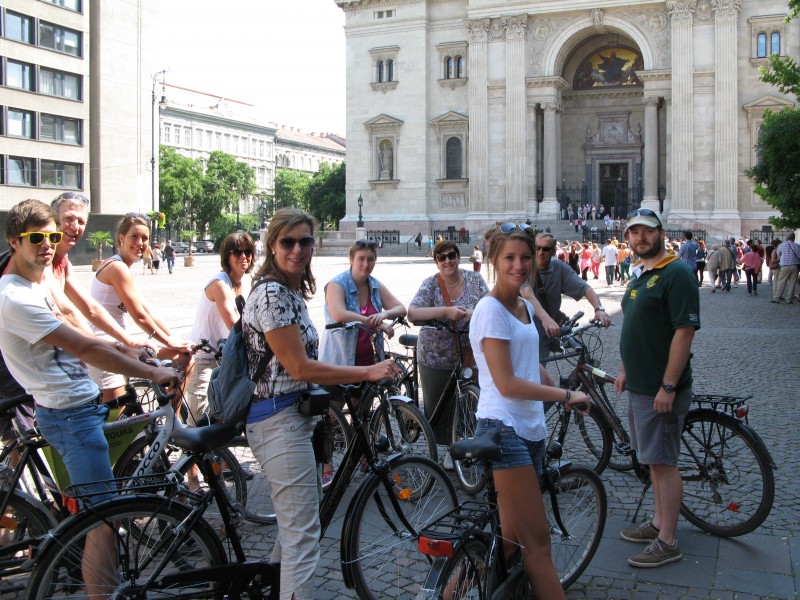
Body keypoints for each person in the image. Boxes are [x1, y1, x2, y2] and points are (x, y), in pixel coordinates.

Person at [0, 200, 179, 596]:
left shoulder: (38, 280)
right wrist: (151, 371)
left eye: (51, 236)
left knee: (96, 511)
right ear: (14, 241)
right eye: (36, 238)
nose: (48, 244)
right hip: (69, 416)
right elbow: (84, 348)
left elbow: (79, 317)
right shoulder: (16, 298)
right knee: (102, 521)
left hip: (76, 409)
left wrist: (128, 348)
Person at [242, 208, 399, 599]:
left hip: (296, 417)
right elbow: (298, 366)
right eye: (288, 241)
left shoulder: (290, 290)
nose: (298, 249)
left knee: (298, 524)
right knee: (304, 538)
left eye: (305, 241)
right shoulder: (273, 293)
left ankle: (270, 586)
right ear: (272, 245)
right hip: (278, 420)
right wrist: (365, 373)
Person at [469, 222, 588, 599]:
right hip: (503, 429)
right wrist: (565, 397)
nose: (519, 265)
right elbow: (505, 383)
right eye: (509, 258)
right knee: (538, 547)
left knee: (508, 541)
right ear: (493, 260)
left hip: (530, 428)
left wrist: (550, 380)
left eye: (524, 257)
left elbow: (525, 362)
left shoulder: (521, 305)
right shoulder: (490, 310)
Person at [614, 208, 700, 568]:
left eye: (646, 231)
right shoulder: (642, 274)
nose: (640, 238)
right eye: (633, 232)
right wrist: (625, 368)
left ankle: (668, 541)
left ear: (661, 233)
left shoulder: (676, 272)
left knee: (663, 463)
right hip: (640, 385)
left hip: (660, 389)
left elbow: (683, 331)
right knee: (651, 458)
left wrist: (668, 385)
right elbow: (639, 328)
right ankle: (658, 522)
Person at [318, 239, 406, 482]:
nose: (366, 264)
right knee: (331, 415)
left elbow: (400, 307)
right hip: (338, 362)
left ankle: (363, 459)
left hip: (368, 362)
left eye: (370, 259)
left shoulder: (375, 286)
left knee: (362, 415)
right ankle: (326, 466)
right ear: (351, 259)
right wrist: (374, 322)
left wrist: (383, 315)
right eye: (361, 259)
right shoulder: (337, 284)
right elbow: (339, 313)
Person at [90, 215, 193, 400]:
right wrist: (170, 343)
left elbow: (148, 311)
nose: (140, 243)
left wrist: (174, 339)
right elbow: (140, 316)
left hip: (120, 343)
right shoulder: (117, 268)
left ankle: (172, 425)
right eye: (134, 237)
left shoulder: (122, 267)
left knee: (184, 358)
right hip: (105, 347)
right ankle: (171, 426)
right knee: (117, 422)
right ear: (121, 238)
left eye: (145, 238)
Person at [407, 239, 489, 463]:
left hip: (469, 350)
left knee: (470, 399)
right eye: (441, 257)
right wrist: (446, 311)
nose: (447, 261)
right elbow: (412, 313)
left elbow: (490, 303)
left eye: (451, 255)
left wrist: (474, 311)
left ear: (458, 257)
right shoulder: (430, 284)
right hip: (436, 353)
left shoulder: (475, 279)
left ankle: (463, 442)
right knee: (440, 404)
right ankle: (449, 448)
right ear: (436, 262)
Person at [186, 232, 256, 426]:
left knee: (224, 416)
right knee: (199, 420)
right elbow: (235, 325)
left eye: (248, 251)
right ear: (227, 256)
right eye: (237, 252)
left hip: (225, 357)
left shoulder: (246, 284)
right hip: (202, 357)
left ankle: (218, 456)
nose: (244, 257)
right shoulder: (220, 283)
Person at [520, 233, 611, 359]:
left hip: (546, 334)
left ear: (553, 252)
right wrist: (546, 319)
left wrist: (599, 309)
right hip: (522, 333)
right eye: (537, 248)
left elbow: (585, 288)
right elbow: (527, 294)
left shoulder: (559, 268)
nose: (540, 252)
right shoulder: (523, 267)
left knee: (539, 374)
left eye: (546, 249)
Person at [772, 232, 800, 304]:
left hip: (785, 266)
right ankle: (789, 299)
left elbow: (779, 254)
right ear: (794, 238)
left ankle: (777, 298)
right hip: (795, 266)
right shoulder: (797, 245)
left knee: (781, 282)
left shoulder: (782, 245)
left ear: (787, 238)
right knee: (792, 283)